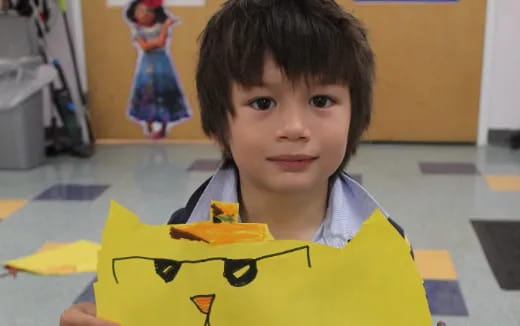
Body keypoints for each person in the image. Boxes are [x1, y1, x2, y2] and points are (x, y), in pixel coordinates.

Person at [60, 0, 411, 325]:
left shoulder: (383, 244)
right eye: (262, 103)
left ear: (355, 115)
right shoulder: (181, 244)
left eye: (321, 100)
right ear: (220, 123)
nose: (294, 128)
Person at [126, 0, 191, 139]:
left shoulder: (160, 25)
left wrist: (164, 28)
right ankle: (149, 127)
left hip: (162, 63)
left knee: (164, 92)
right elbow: (146, 46)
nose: (143, 14)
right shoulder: (137, 29)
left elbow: (161, 43)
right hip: (147, 63)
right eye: (139, 11)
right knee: (146, 92)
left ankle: (163, 127)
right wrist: (163, 30)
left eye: (147, 11)